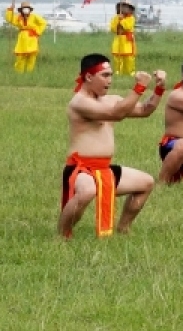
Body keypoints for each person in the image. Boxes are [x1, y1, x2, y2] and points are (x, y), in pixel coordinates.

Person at [59, 55, 164, 238]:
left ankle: (123, 229)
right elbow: (116, 114)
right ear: (89, 77)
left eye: (111, 75)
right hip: (81, 169)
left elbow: (145, 110)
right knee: (88, 191)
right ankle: (62, 235)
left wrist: (159, 88)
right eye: (105, 75)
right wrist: (139, 87)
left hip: (104, 169)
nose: (109, 80)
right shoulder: (80, 102)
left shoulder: (110, 99)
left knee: (146, 182)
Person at [5, 1, 48, 73]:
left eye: (27, 8)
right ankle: (19, 72)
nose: (26, 10)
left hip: (32, 38)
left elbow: (43, 23)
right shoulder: (19, 18)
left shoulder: (34, 16)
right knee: (21, 57)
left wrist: (36, 31)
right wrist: (10, 10)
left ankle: (29, 72)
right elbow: (10, 19)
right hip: (22, 39)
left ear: (29, 9)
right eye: (24, 8)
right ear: (21, 10)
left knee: (31, 57)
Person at [109, 0, 137, 75]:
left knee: (128, 57)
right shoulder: (116, 17)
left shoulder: (131, 18)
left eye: (126, 6)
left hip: (127, 40)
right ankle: (118, 71)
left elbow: (128, 27)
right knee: (117, 56)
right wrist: (118, 20)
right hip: (118, 38)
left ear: (130, 9)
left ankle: (129, 72)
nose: (124, 8)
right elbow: (113, 28)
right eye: (122, 6)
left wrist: (122, 20)